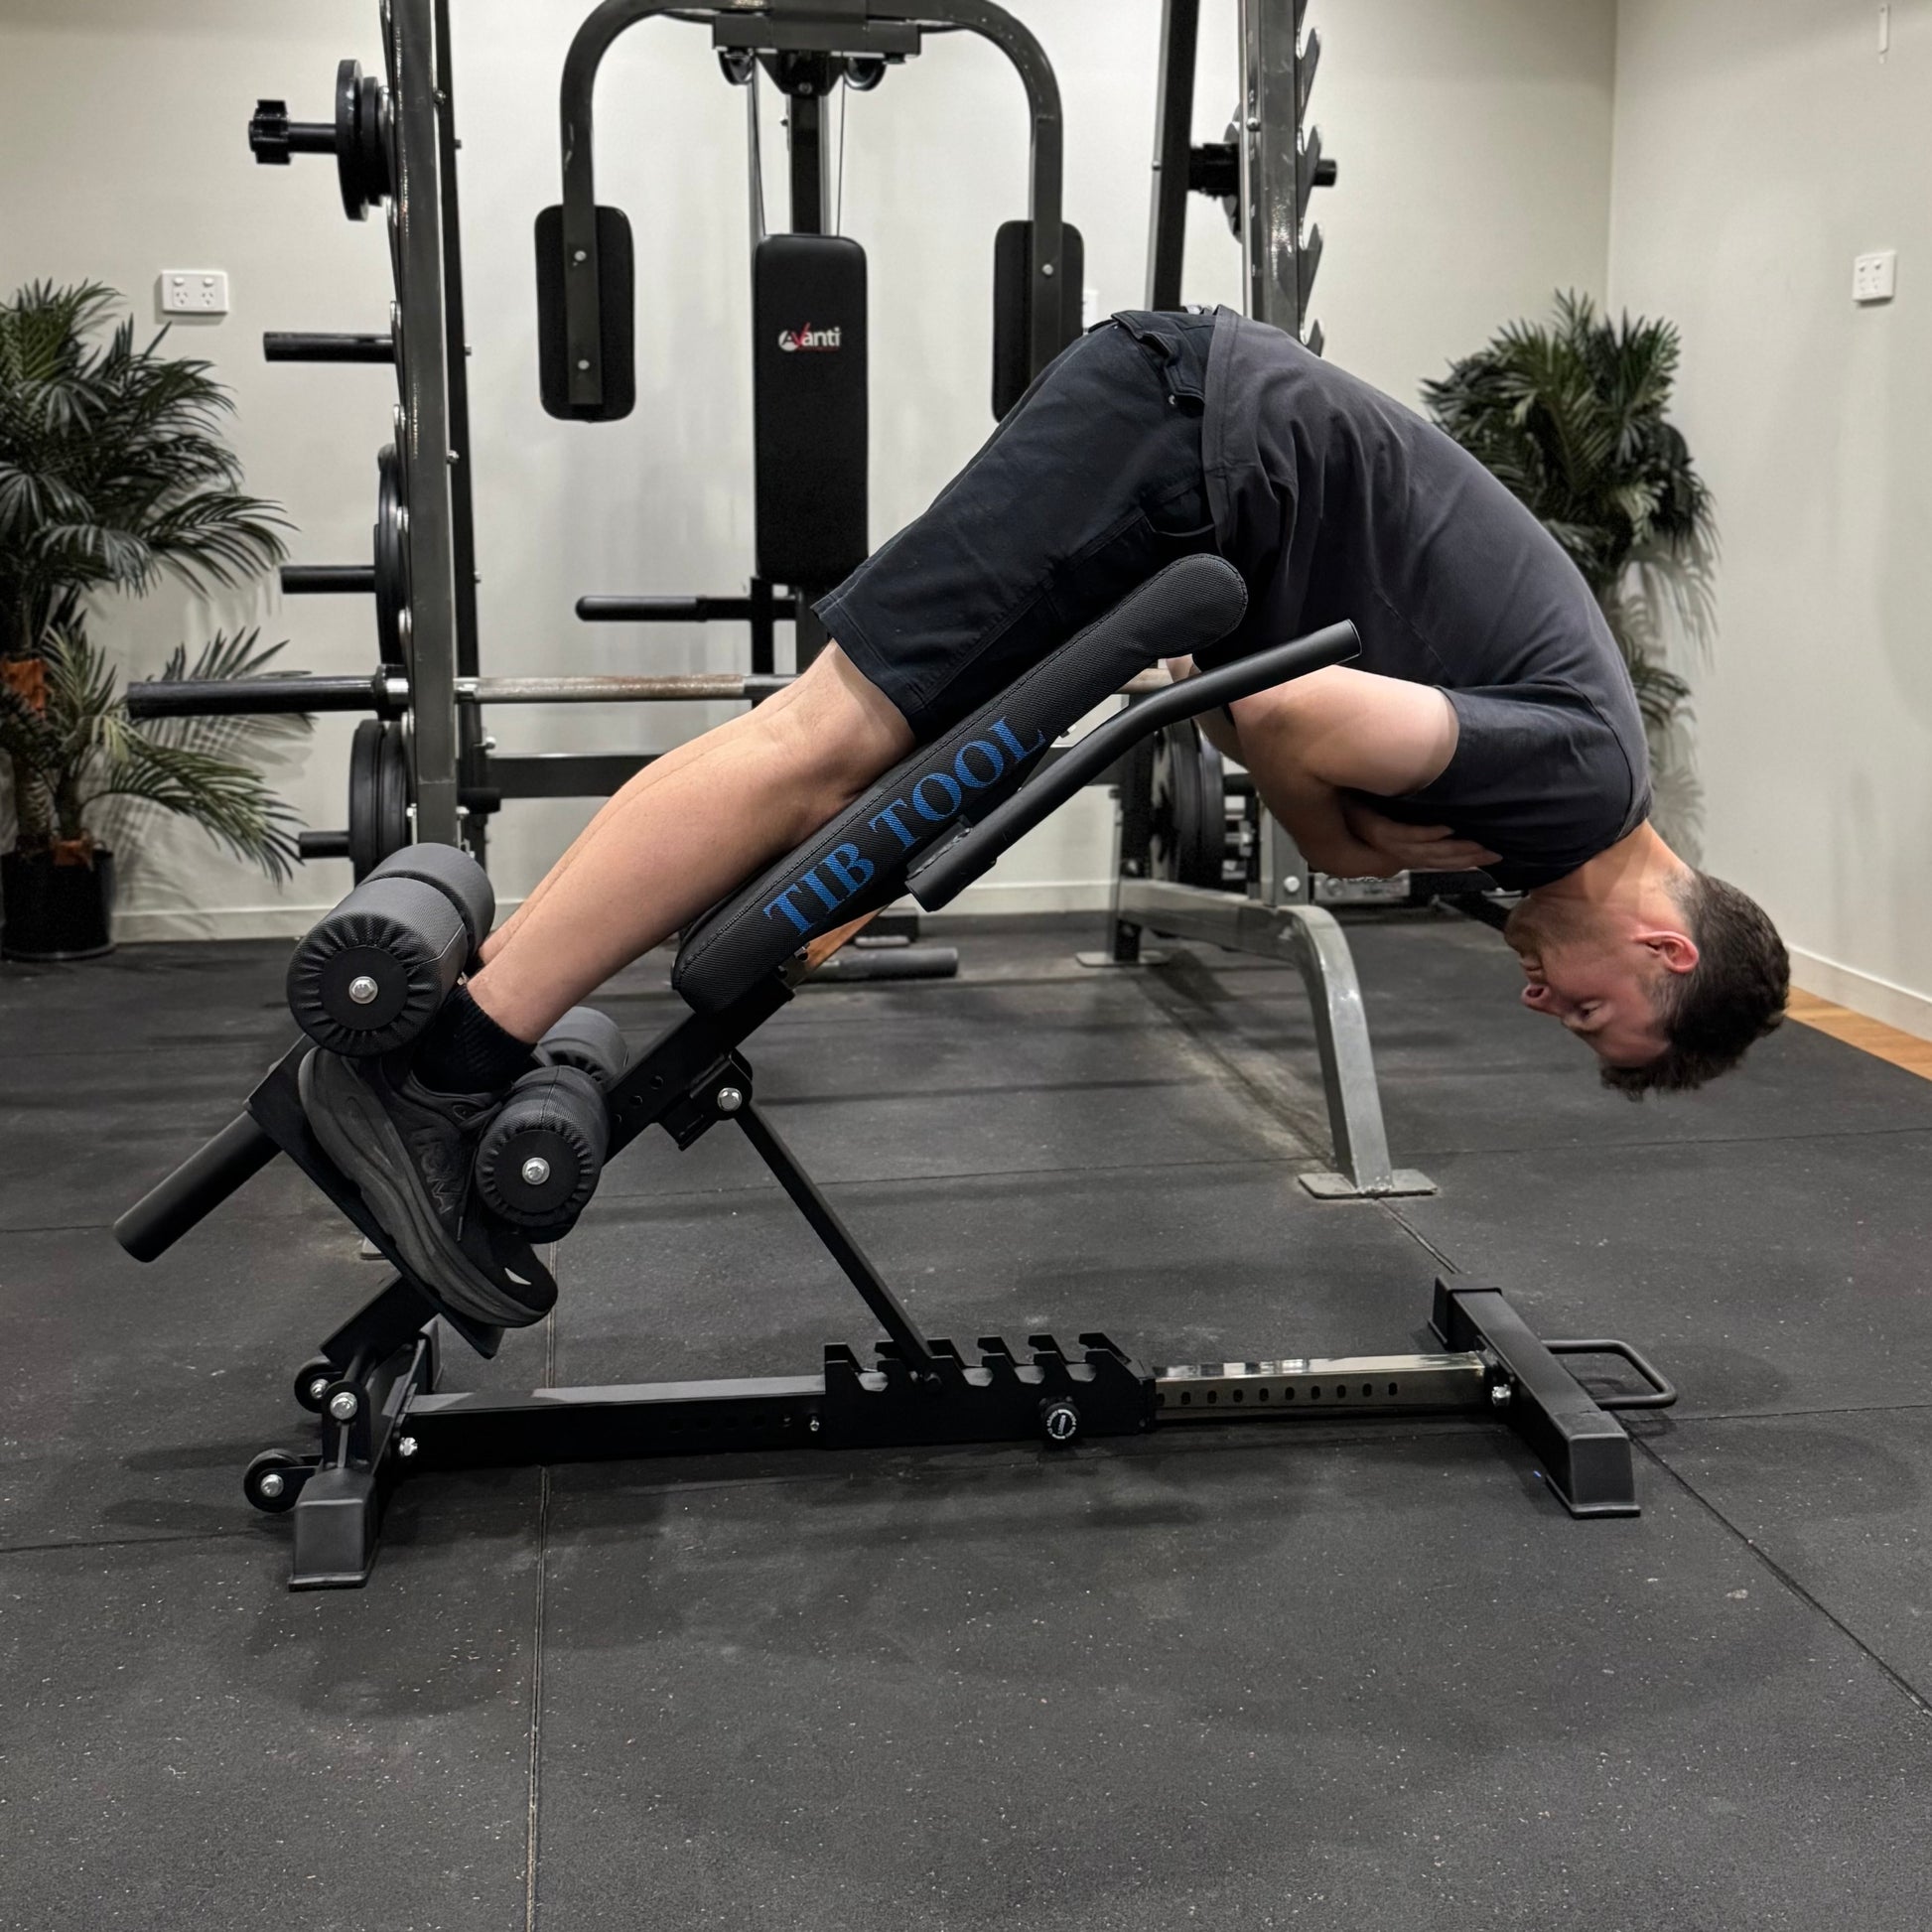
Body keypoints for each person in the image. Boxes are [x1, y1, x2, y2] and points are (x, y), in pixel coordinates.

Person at [301, 306, 1789, 1328]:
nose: (1548, 1002)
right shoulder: (1582, 788)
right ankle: (445, 1067)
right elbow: (1285, 715)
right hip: (1180, 436)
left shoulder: (1561, 814)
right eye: (1594, 1015)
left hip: (1192, 453)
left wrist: (1331, 800)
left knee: (836, 772)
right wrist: (1332, 841)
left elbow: (1269, 680)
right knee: (822, 746)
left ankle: (472, 1046)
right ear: (1662, 946)